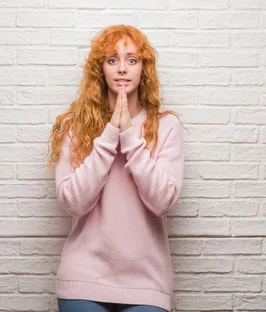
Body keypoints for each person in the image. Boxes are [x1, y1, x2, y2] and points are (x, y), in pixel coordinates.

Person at [47, 25, 185, 312]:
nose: (122, 69)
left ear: (143, 68)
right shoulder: (76, 127)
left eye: (131, 60)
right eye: (113, 60)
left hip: (147, 284)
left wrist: (130, 137)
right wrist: (110, 134)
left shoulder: (166, 126)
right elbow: (74, 202)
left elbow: (163, 202)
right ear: (101, 70)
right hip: (83, 280)